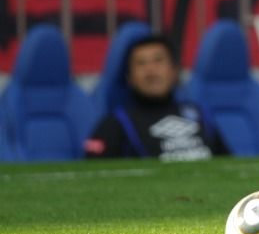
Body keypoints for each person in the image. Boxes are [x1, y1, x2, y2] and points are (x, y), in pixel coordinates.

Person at [84, 35, 229, 160]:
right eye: (141, 63)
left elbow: (230, 165)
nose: (151, 71)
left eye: (158, 60)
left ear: (174, 70)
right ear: (129, 78)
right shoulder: (114, 124)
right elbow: (92, 174)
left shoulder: (200, 114)